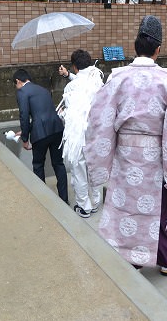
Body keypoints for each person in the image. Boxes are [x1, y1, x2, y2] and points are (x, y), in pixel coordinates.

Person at [84, 15, 167, 276]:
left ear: (135, 47)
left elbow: (99, 122)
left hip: (125, 158)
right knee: (159, 211)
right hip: (156, 160)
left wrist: (103, 161)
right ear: (158, 49)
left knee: (125, 209)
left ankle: (129, 258)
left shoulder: (117, 79)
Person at [57, 49, 105, 218]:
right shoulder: (97, 80)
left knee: (79, 170)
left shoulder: (72, 87)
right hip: (96, 133)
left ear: (75, 67)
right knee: (93, 167)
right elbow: (84, 84)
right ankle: (96, 201)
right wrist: (68, 74)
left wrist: (62, 113)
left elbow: (71, 114)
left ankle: (84, 206)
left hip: (79, 136)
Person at [12, 68, 68, 204]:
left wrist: (25, 138)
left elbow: (24, 116)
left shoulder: (22, 92)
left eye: (15, 84)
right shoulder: (43, 90)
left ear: (18, 81)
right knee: (59, 164)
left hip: (40, 134)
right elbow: (43, 114)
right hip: (57, 129)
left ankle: (44, 201)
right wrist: (24, 131)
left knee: (38, 165)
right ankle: (64, 200)